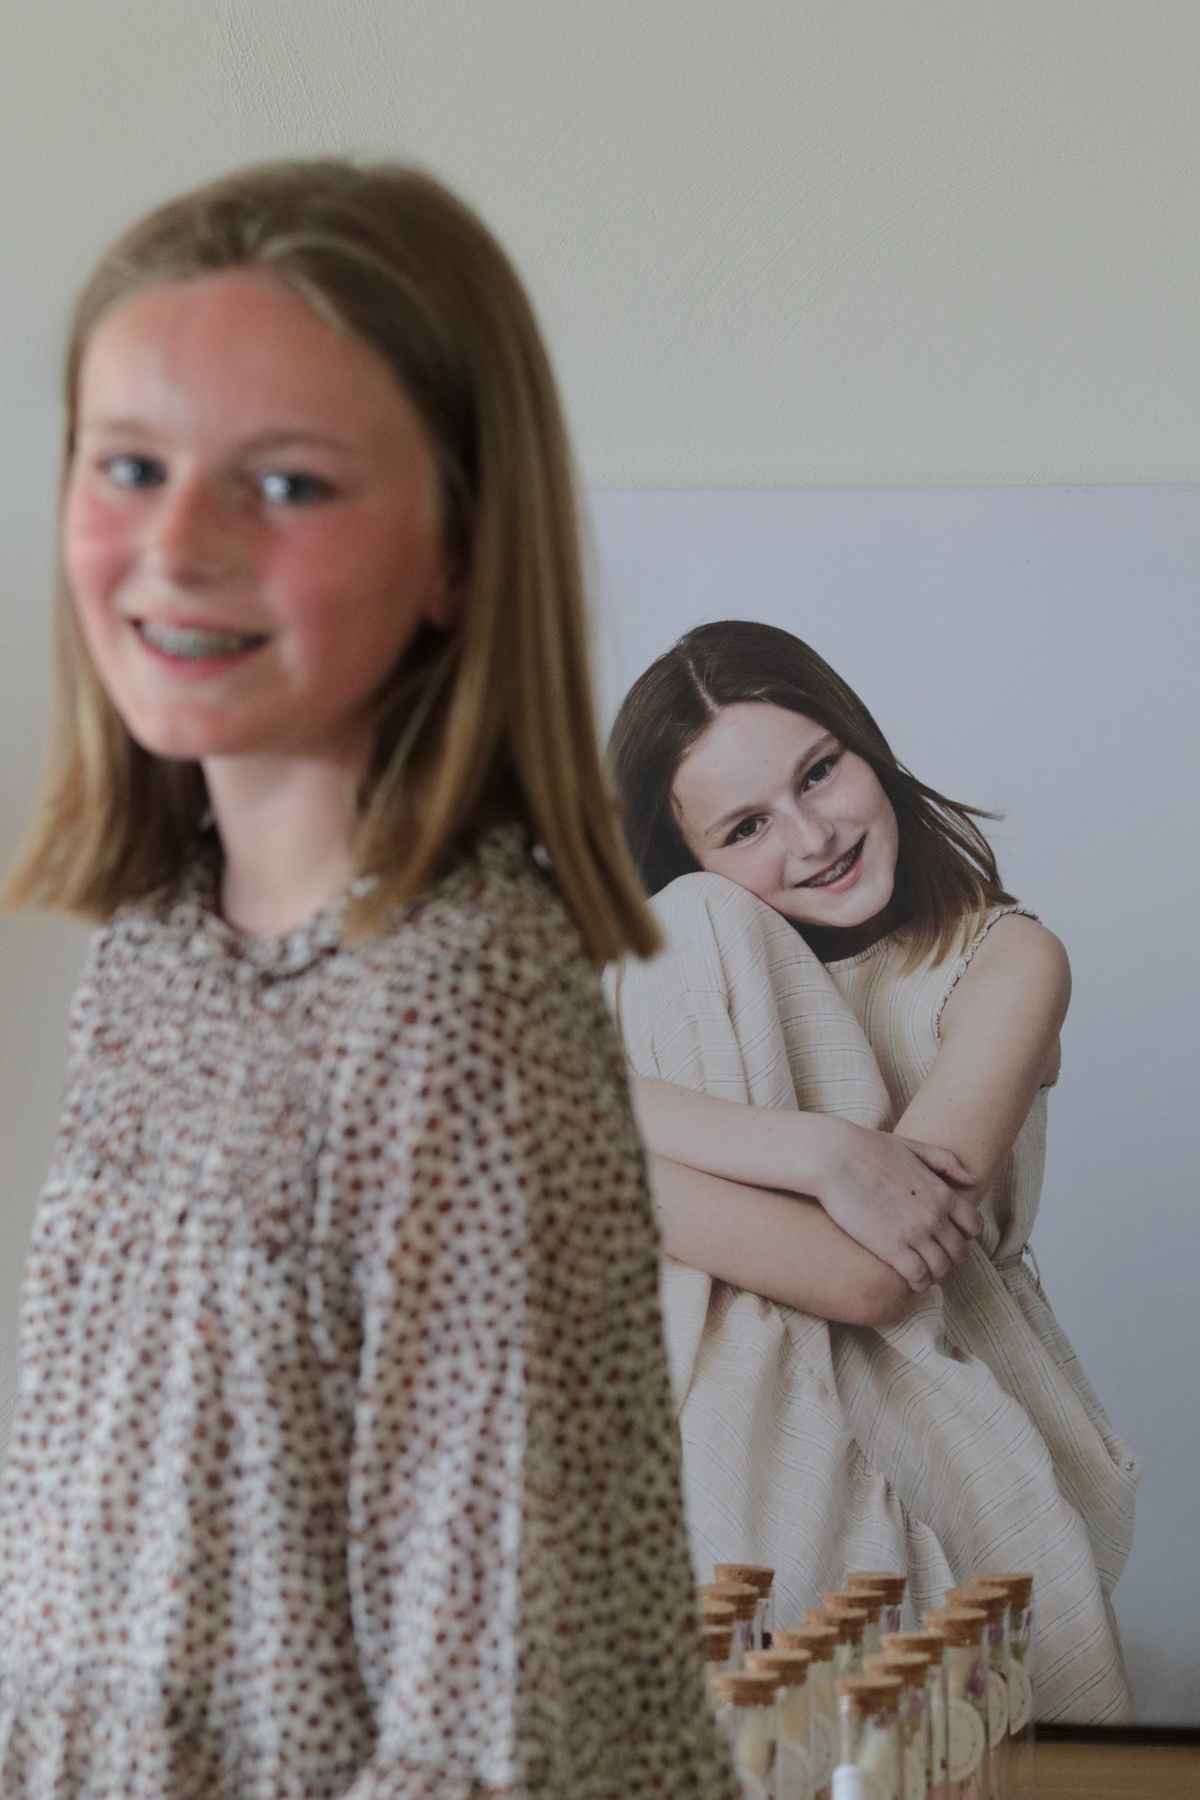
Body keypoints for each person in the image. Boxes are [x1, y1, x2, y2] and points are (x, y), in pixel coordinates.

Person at [0, 162, 740, 1800]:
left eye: (286, 485)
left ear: (458, 553)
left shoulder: (463, 1013)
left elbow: (504, 1727)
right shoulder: (156, 952)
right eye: (129, 466)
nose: (175, 545)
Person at [604, 619, 1139, 1722]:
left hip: (938, 1389)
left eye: (819, 772)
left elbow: (873, 1277)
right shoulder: (686, 977)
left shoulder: (1001, 960)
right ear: (688, 853)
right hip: (728, 1417)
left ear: (865, 744)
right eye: (747, 825)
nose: (812, 836)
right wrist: (825, 1150)